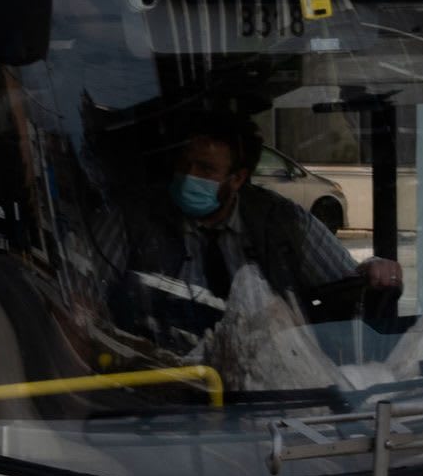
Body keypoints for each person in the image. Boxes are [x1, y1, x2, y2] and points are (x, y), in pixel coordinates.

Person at [127, 116, 396, 323]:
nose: (188, 176)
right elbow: (88, 292)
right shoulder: (137, 220)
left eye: (205, 169)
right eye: (184, 164)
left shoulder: (284, 223)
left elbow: (349, 287)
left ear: (238, 179)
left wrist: (374, 270)